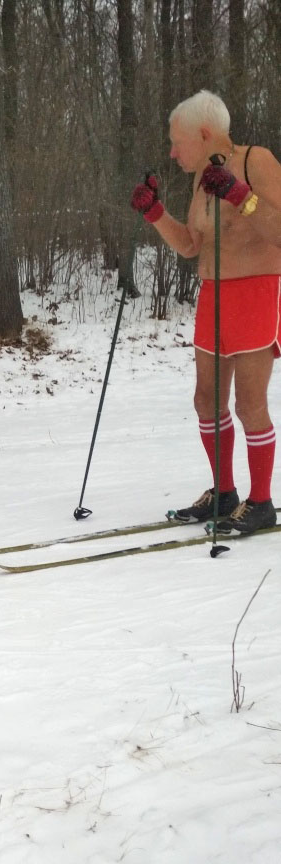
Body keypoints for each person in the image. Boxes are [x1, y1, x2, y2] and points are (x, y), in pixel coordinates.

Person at [131, 90, 281, 535]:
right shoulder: (202, 179)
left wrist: (241, 195)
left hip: (257, 290)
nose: (172, 152)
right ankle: (225, 493)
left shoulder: (256, 161)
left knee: (249, 404)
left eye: (177, 142)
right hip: (214, 294)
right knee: (206, 401)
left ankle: (261, 502)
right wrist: (154, 213)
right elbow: (192, 245)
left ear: (203, 133)